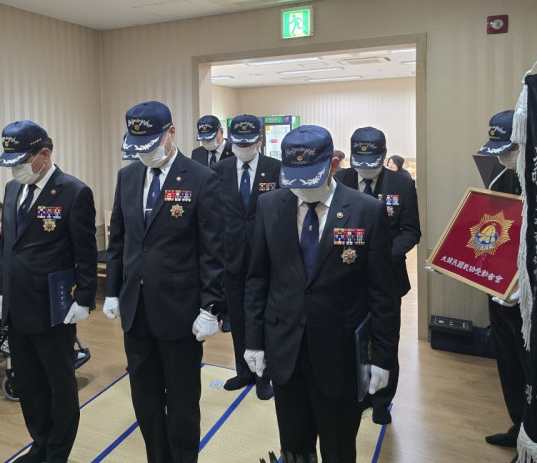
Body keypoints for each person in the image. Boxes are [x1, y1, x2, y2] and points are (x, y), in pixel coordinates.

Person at [244, 125, 399, 463]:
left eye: (309, 178)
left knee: (338, 448)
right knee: (294, 448)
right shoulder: (270, 205)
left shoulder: (366, 210)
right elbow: (258, 278)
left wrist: (383, 357)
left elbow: (383, 295)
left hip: (339, 356)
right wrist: (253, 340)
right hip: (285, 349)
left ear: (333, 165)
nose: (302, 188)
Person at [105, 101, 225, 463]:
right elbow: (119, 240)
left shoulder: (201, 178)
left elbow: (213, 250)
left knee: (183, 400)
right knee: (145, 397)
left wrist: (211, 307)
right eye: (137, 146)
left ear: (171, 133)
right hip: (136, 309)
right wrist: (112, 291)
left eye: (151, 144)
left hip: (180, 311)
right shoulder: (128, 177)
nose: (144, 153)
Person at [0, 120, 97, 463]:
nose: (16, 169)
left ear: (44, 154)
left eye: (21, 161)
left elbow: (85, 251)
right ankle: (39, 443)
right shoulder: (12, 190)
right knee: (29, 383)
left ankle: (57, 451)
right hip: (17, 306)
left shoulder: (74, 191)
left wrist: (84, 298)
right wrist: (3, 291)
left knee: (59, 384)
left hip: (53, 307)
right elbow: (9, 247)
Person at [334, 126, 421, 424]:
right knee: (350, 336)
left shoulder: (402, 183)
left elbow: (411, 231)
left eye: (371, 162)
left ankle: (382, 399)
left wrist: (380, 256)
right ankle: (358, 392)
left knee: (385, 336)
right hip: (347, 273)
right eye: (359, 162)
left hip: (388, 276)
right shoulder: (340, 179)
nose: (365, 169)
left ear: (384, 155)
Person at [213, 114, 279, 401]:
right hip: (231, 256)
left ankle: (264, 375)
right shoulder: (220, 170)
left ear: (259, 140)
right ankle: (243, 371)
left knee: (263, 315)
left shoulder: (275, 169)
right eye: (237, 143)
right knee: (238, 316)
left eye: (247, 143)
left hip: (266, 255)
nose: (242, 147)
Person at [477, 110, 526, 450]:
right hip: (498, 284)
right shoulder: (498, 175)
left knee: (531, 361)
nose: (504, 157)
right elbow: (490, 223)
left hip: (532, 291)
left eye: (510, 149)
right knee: (507, 358)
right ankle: (518, 424)